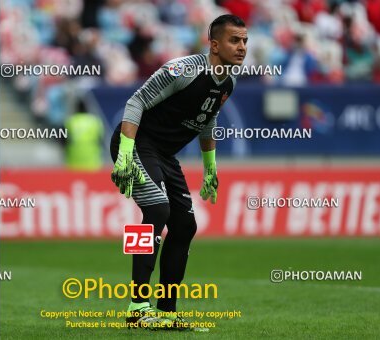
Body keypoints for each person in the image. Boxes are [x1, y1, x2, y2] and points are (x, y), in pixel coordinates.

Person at [109, 14, 246, 330]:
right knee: (157, 210)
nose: (241, 47)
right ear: (214, 44)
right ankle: (137, 308)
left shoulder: (229, 82)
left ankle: (167, 312)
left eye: (244, 41)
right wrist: (125, 154)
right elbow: (136, 102)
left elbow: (207, 119)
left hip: (163, 154)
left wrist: (210, 167)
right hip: (135, 141)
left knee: (184, 225)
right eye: (234, 40)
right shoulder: (184, 69)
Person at [65, 100, 104, 171]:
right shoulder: (95, 121)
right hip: (92, 161)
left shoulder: (70, 121)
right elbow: (101, 140)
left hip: (74, 161)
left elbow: (64, 141)